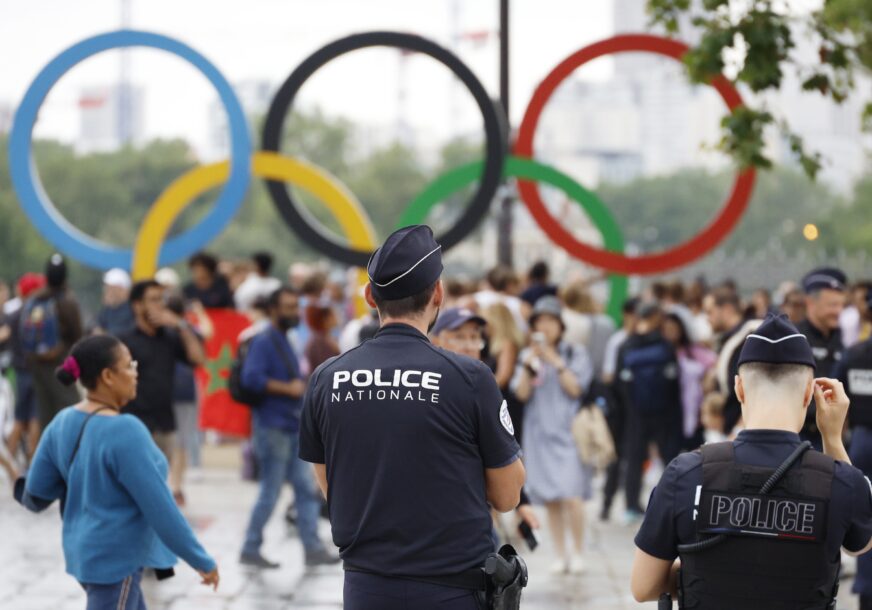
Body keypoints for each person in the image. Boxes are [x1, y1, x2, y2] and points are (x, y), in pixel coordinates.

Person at [299, 225, 525, 610]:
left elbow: (328, 481)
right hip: (453, 588)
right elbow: (506, 495)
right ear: (438, 293)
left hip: (366, 586)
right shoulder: (469, 378)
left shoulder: (326, 377)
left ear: (371, 297)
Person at [630, 314, 872, 608]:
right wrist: (832, 438)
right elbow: (861, 543)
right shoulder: (843, 482)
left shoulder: (686, 473)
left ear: (739, 388)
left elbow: (644, 587)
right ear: (809, 392)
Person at [15, 334, 219, 609]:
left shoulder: (62, 421)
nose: (136, 373)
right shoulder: (126, 430)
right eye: (129, 366)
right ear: (108, 376)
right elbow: (161, 508)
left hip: (83, 554)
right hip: (115, 561)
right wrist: (200, 559)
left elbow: (36, 492)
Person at [239, 286, 337, 569]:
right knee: (271, 490)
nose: (294, 312)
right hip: (272, 427)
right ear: (272, 310)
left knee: (306, 489)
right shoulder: (265, 340)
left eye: (296, 306)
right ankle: (250, 546)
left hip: (289, 425)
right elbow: (251, 378)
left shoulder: (285, 338)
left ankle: (312, 547)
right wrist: (288, 388)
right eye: (287, 307)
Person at [431, 307, 541, 547]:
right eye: (459, 337)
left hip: (475, 522)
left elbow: (501, 453)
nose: (469, 345)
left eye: (474, 337)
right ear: (436, 340)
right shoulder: (427, 391)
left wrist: (522, 504)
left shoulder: (484, 389)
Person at [512, 295, 593, 574]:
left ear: (560, 325)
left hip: (568, 432)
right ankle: (560, 554)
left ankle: (579, 551)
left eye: (550, 321)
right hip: (539, 434)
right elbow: (521, 393)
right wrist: (530, 364)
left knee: (572, 494)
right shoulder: (528, 356)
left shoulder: (574, 353)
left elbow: (576, 389)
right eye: (539, 321)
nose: (545, 326)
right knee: (551, 499)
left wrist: (556, 362)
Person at [120, 280, 205, 460]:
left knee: (159, 481)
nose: (160, 305)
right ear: (137, 305)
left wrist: (180, 325)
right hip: (135, 424)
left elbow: (198, 359)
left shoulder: (170, 337)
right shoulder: (124, 341)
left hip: (165, 424)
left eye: (161, 299)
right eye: (153, 299)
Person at [615, 302, 682, 522]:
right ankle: (675, 502)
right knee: (669, 458)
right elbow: (674, 382)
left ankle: (631, 506)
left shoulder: (626, 345)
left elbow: (620, 382)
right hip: (663, 411)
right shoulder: (664, 345)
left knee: (635, 459)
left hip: (635, 412)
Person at [834, 291, 872, 608]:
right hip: (862, 440)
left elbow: (837, 397)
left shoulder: (854, 354)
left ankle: (866, 586)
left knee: (865, 515)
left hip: (862, 441)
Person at [22, 254, 83, 429]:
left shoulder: (35, 300)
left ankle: (49, 453)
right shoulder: (67, 301)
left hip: (36, 366)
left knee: (46, 416)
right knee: (70, 412)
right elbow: (77, 335)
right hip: (61, 365)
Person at [797, 268, 847, 447]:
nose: (838, 311)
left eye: (841, 305)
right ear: (810, 303)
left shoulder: (842, 339)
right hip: (803, 436)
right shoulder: (796, 339)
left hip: (835, 436)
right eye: (832, 305)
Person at [5, 273, 47, 465]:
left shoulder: (12, 314)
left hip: (19, 371)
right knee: (33, 417)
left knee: (20, 418)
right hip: (32, 371)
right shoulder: (36, 314)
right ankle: (32, 460)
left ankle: (10, 459)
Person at [662, 310, 717, 447]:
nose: (671, 332)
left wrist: (708, 378)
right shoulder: (660, 353)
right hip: (669, 416)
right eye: (667, 329)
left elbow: (714, 363)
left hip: (694, 414)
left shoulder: (692, 351)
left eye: (674, 329)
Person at [482, 303, 526, 442]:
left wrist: (480, 388)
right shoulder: (492, 345)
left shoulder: (506, 344)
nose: (485, 327)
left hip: (505, 402)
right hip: (498, 399)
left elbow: (503, 376)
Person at [94, 268, 135, 336]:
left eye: (111, 288)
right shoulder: (108, 309)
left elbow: (120, 333)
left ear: (122, 290)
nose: (107, 291)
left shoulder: (132, 309)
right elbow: (96, 326)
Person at [303, 301, 340, 371]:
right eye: (333, 315)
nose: (336, 317)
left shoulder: (327, 338)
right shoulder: (318, 342)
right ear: (325, 320)